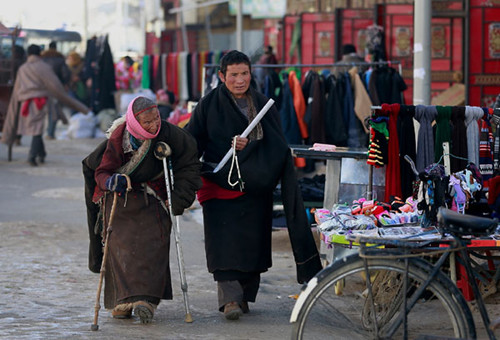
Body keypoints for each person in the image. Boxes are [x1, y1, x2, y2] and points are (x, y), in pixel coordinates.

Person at [185, 50, 322, 320]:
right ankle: (229, 301)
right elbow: (192, 142)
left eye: (244, 73)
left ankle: (244, 295)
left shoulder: (262, 104)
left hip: (256, 185)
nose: (239, 80)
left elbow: (278, 146)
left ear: (251, 74)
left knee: (251, 245)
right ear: (221, 76)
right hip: (219, 185)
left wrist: (252, 146)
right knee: (223, 245)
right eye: (233, 75)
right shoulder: (208, 105)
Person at [82, 96, 202, 324]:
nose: (154, 125)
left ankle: (146, 301)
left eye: (156, 118)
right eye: (146, 122)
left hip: (152, 194)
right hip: (121, 197)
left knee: (153, 241)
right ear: (135, 123)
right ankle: (122, 301)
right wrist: (111, 182)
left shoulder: (171, 134)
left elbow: (190, 163)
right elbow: (100, 172)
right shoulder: (119, 138)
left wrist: (180, 199)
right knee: (119, 243)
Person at [1, 44, 91, 166]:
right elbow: (55, 86)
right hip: (40, 101)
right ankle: (33, 156)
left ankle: (40, 154)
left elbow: (18, 88)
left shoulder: (23, 68)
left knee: (36, 128)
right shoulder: (43, 67)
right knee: (37, 129)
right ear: (39, 54)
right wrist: (77, 105)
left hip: (25, 102)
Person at [41, 41, 71, 139]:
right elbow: (66, 74)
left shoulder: (42, 59)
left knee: (42, 110)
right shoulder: (60, 59)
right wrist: (64, 83)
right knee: (54, 110)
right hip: (56, 88)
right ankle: (50, 132)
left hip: (43, 88)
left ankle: (40, 132)